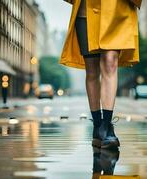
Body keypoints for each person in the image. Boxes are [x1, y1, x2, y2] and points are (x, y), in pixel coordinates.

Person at [60, 0, 141, 149]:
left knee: (110, 62)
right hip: (86, 10)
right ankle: (98, 126)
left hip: (117, 8)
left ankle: (107, 126)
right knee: (91, 70)